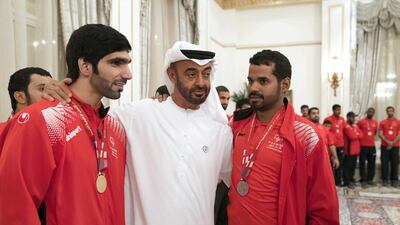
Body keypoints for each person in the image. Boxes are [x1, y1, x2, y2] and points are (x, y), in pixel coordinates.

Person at [41, 41, 233, 225]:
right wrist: (58, 89)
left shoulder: (220, 132)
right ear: (172, 75)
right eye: (191, 74)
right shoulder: (137, 115)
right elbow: (87, 114)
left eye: (206, 74)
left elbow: (241, 182)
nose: (201, 82)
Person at [0, 24, 132, 225]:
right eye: (116, 63)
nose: (128, 74)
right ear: (85, 66)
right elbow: (14, 207)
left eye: (127, 63)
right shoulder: (41, 120)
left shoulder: (115, 127)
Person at [228, 50, 339, 225]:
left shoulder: (305, 134)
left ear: (285, 84)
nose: (254, 88)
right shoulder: (236, 124)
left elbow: (324, 206)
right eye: (251, 81)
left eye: (263, 81)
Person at [0, 67, 53, 224]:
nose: (50, 94)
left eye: (52, 88)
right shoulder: (2, 133)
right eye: (42, 89)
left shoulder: (60, 132)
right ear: (20, 96)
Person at [324, 104, 346, 186]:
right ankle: (330, 181)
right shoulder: (327, 119)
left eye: (339, 110)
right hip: (331, 145)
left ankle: (338, 181)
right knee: (329, 164)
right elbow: (325, 131)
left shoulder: (342, 119)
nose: (338, 111)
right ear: (333, 110)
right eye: (337, 110)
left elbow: (344, 131)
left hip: (340, 145)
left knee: (339, 163)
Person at [378, 106, 400, 187]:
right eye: (388, 111)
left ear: (394, 112)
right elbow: (380, 134)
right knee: (384, 163)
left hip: (395, 146)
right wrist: (388, 142)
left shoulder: (398, 121)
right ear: (386, 112)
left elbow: (399, 134)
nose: (389, 112)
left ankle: (394, 180)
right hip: (384, 146)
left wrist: (392, 143)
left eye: (391, 111)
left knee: (395, 163)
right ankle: (384, 179)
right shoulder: (383, 122)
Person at [357, 107, 378, 187]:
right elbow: (357, 131)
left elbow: (375, 132)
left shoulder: (375, 122)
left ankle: (370, 180)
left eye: (372, 112)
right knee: (362, 163)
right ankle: (363, 180)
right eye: (369, 111)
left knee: (372, 163)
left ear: (374, 113)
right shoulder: (361, 121)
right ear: (367, 112)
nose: (371, 113)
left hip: (372, 146)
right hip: (363, 146)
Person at [343, 112, 362, 189]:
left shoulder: (355, 126)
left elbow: (361, 135)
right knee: (348, 167)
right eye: (351, 117)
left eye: (353, 117)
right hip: (349, 150)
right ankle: (347, 181)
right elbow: (352, 136)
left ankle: (351, 179)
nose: (353, 119)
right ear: (347, 117)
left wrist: (356, 133)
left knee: (353, 166)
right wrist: (356, 134)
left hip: (355, 150)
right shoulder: (346, 126)